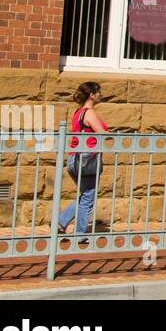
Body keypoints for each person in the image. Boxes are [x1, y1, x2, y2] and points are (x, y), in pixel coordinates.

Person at [58, 82, 108, 234]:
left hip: (74, 158)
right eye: (98, 92)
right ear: (92, 95)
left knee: (85, 195)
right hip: (87, 159)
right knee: (88, 198)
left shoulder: (77, 112)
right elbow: (101, 132)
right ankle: (78, 234)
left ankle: (61, 223)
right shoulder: (89, 112)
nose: (100, 94)